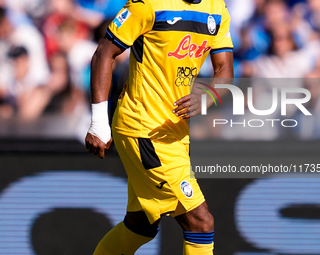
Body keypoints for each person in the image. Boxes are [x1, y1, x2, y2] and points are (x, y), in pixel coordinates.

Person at [85, 0, 234, 254]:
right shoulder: (148, 4)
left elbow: (225, 70)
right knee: (200, 222)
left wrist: (208, 94)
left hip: (175, 133)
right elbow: (104, 53)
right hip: (142, 127)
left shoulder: (216, 8)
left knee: (140, 226)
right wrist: (99, 121)